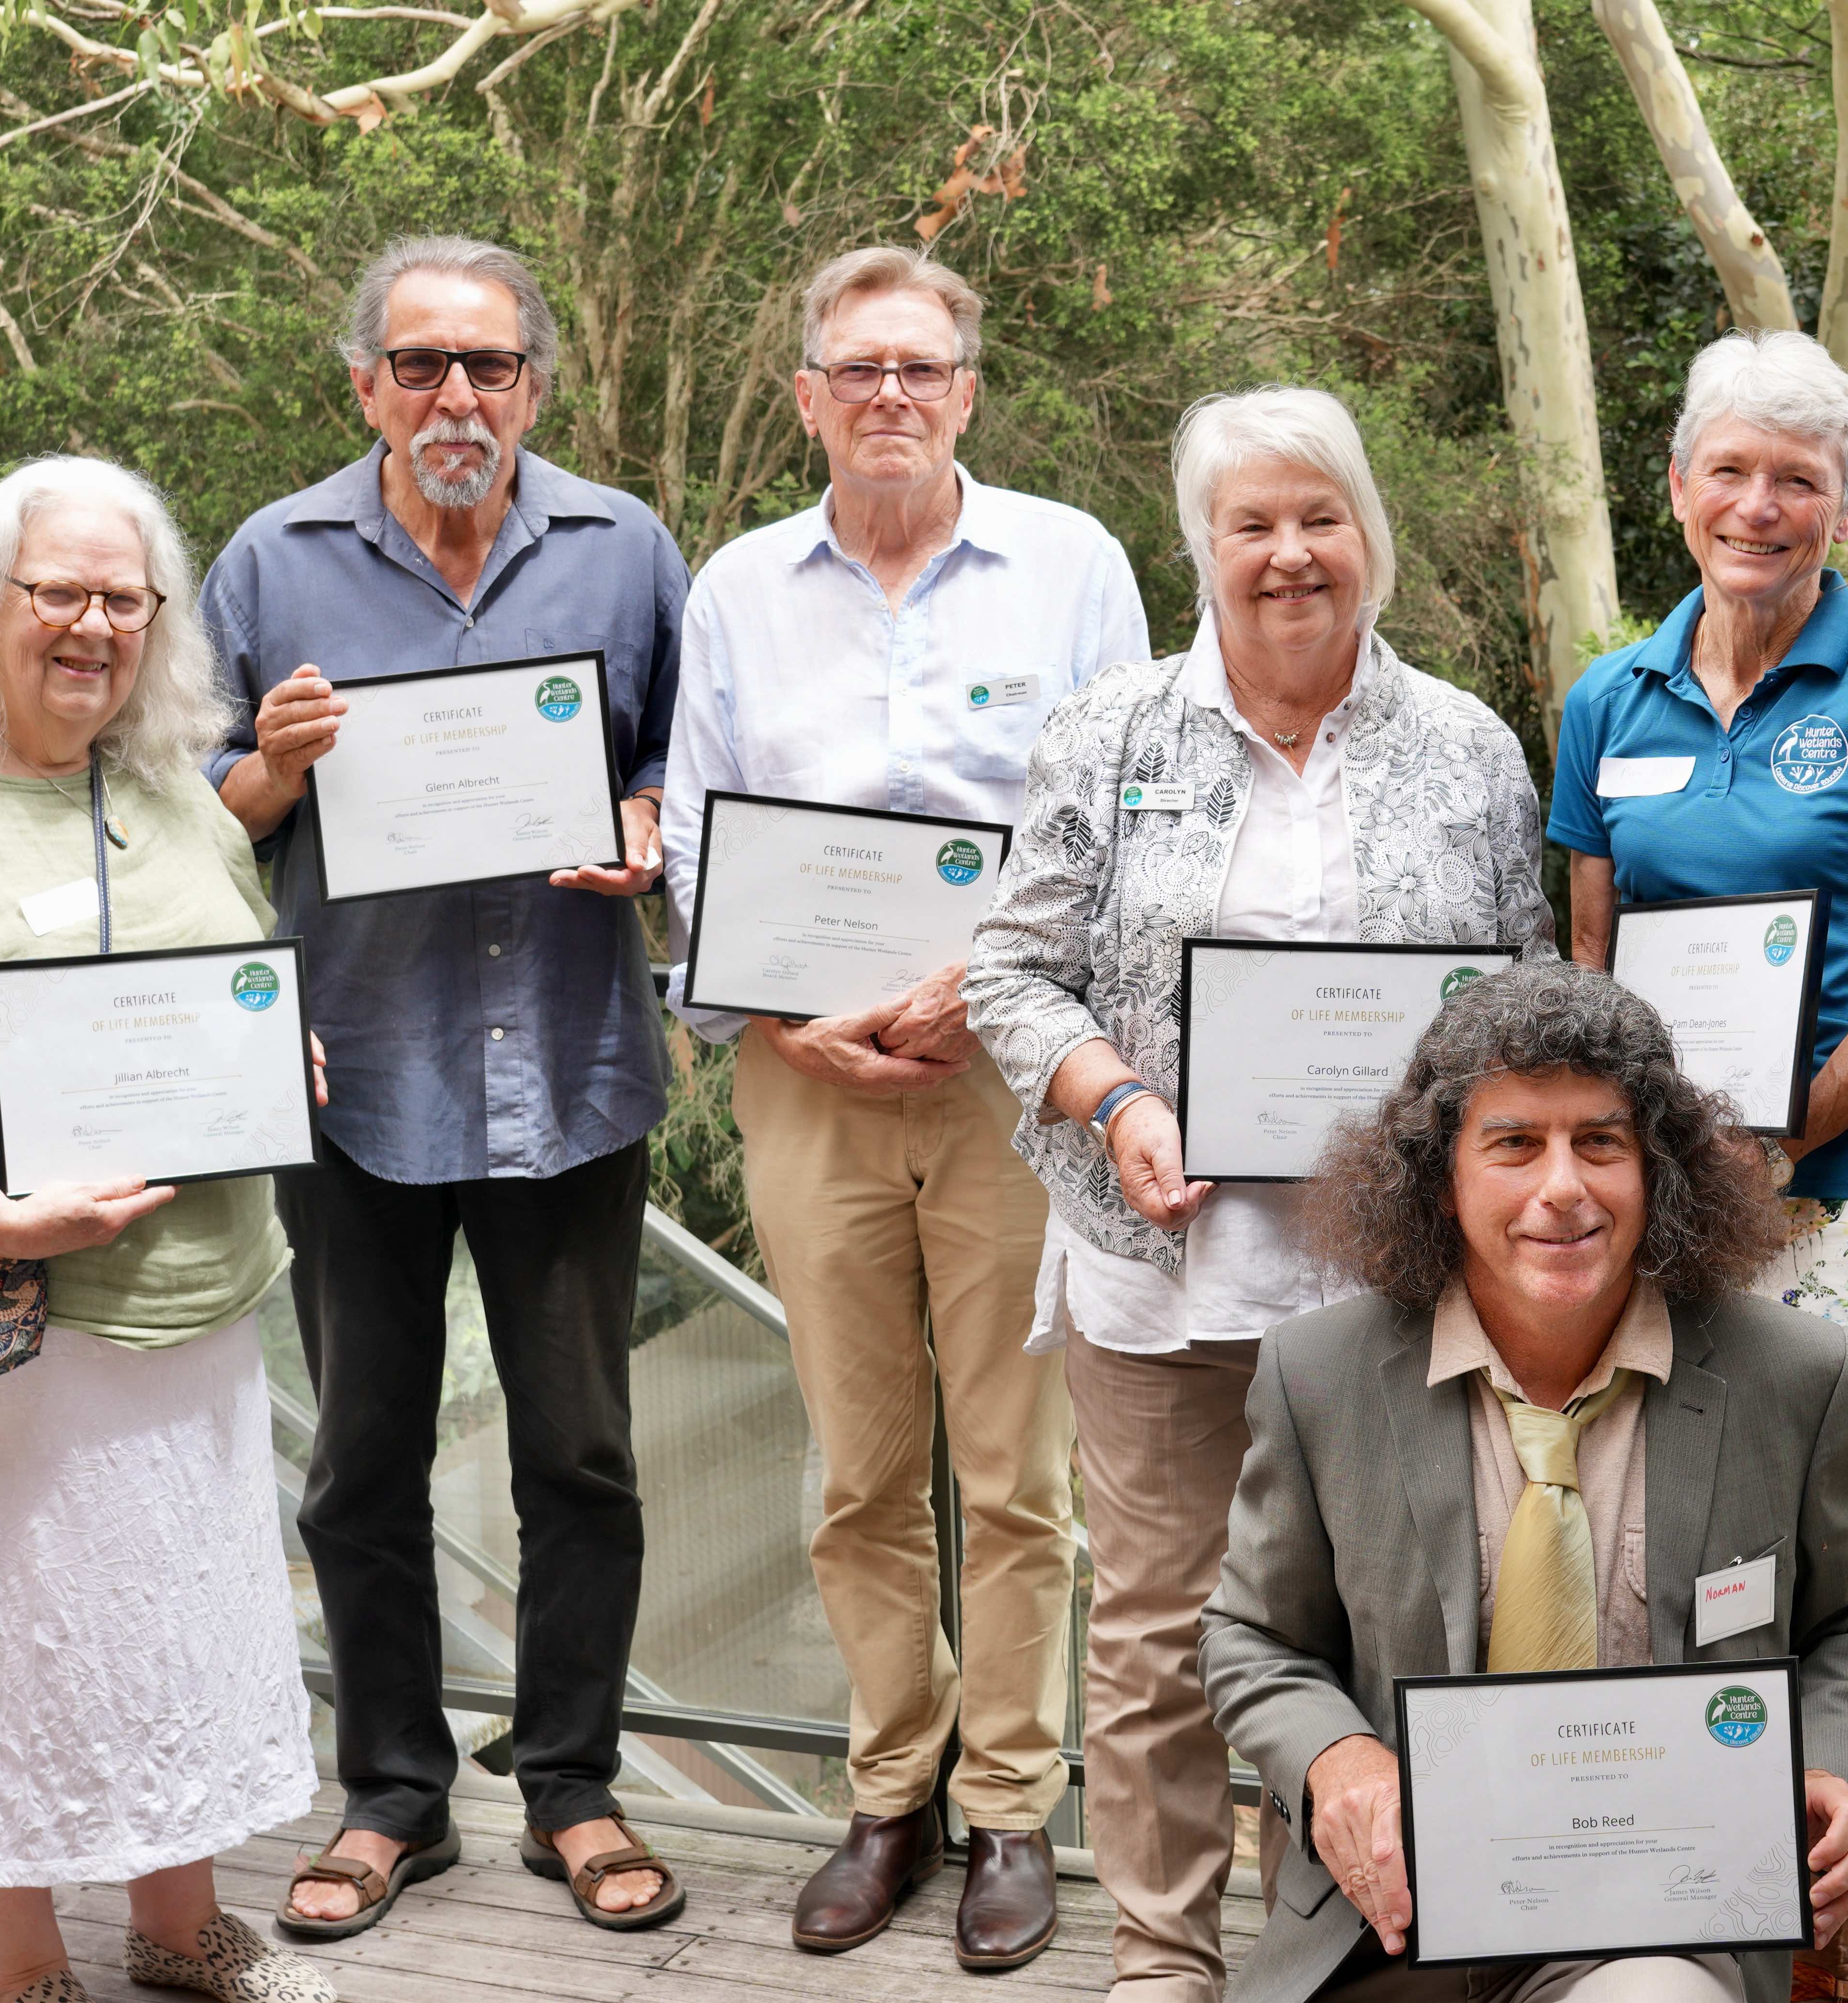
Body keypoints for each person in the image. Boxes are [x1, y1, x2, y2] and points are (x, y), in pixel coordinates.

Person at [964, 385, 1555, 2003]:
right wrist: (1122, 1094)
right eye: (1253, 524)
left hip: (1393, 1286)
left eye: (1319, 517)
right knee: (1159, 1629)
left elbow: (1528, 989)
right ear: (1203, 550)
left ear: (1368, 534)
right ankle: (1162, 1953)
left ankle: (1349, 1943)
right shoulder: (1111, 734)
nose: (1290, 553)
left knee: (1388, 1626)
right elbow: (1010, 974)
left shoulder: (1469, 747)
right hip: (1160, 1268)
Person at [658, 245, 1150, 1968]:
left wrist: (990, 996)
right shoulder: (736, 588)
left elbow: (1124, 815)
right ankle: (889, 1794)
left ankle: (1013, 1803)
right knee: (861, 1467)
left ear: (965, 393)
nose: (888, 394)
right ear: (808, 394)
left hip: (1016, 1078)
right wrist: (790, 1015)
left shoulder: (1073, 566)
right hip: (803, 1074)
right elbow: (700, 831)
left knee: (1018, 1473)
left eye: (919, 369)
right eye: (855, 368)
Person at [199, 235, 692, 1938]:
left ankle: (573, 1783)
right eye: (420, 365)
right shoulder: (274, 558)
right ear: (365, 387)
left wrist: (645, 828)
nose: (456, 397)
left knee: (581, 1458)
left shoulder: (626, 548)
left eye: (488, 365)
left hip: (568, 1067)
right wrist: (273, 767)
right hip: (349, 1071)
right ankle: (393, 1795)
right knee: (357, 1462)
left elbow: (677, 770)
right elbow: (196, 818)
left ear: (536, 384)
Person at [1197, 960, 1848, 2003]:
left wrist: (1835, 1767)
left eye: (1601, 1142)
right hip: (1391, 1924)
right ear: (1439, 1175)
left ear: (1658, 1168)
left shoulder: (1791, 1378)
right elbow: (1251, 1637)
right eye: (1514, 1145)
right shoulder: (1323, 1375)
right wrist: (1337, 1762)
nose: (1563, 1187)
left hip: (1664, 1917)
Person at [0, 458, 335, 2003]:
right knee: (2, 1646)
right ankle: (19, 1963)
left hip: (195, 1313)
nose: (90, 627)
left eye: (120, 600)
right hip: (1, 1320)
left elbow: (233, 978)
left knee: (175, 1634)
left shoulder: (161, 784)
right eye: (56, 592)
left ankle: (181, 1928)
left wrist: (285, 1055)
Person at [1551, 328, 1848, 1858]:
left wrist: (1781, 1142)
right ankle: (1659, 1872)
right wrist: (1657, 1168)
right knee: (1668, 1548)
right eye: (1730, 471)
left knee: (1845, 1551)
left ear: (1846, 510)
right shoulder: (1608, 702)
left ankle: (1838, 1926)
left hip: (1841, 1200)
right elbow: (1594, 978)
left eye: (1796, 481)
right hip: (1660, 1217)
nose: (1758, 505)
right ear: (1677, 488)